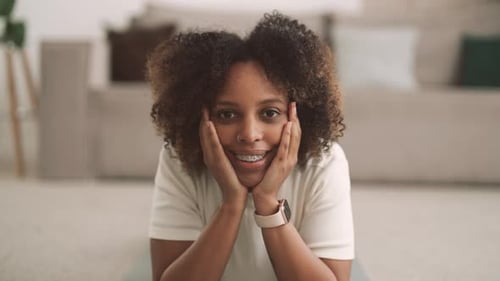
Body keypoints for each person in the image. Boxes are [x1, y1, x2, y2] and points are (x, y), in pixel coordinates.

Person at [147, 12, 354, 281]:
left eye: (269, 113)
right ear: (200, 117)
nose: (249, 134)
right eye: (227, 114)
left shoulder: (325, 162)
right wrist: (232, 204)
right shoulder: (178, 159)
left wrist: (267, 204)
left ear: (298, 115)